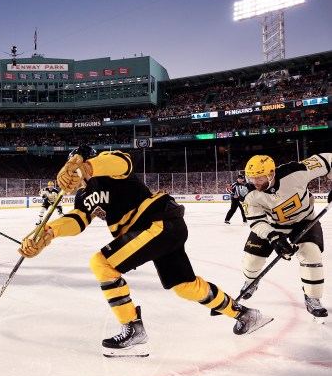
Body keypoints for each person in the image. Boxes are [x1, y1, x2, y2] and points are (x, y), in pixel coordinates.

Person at [19, 146, 271, 357]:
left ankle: (132, 327)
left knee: (102, 263)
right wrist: (50, 232)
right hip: (162, 229)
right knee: (185, 286)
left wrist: (87, 167)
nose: (72, 176)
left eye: (75, 169)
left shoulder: (107, 169)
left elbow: (121, 163)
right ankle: (246, 314)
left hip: (157, 222)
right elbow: (77, 220)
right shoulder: (84, 195)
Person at [239, 154, 332, 320]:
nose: (255, 182)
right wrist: (274, 238)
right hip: (271, 225)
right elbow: (256, 221)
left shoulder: (296, 172)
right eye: (251, 178)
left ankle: (312, 297)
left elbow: (328, 160)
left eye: (259, 177)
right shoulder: (249, 193)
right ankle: (250, 281)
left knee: (311, 254)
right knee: (252, 258)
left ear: (271, 173)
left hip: (304, 220)